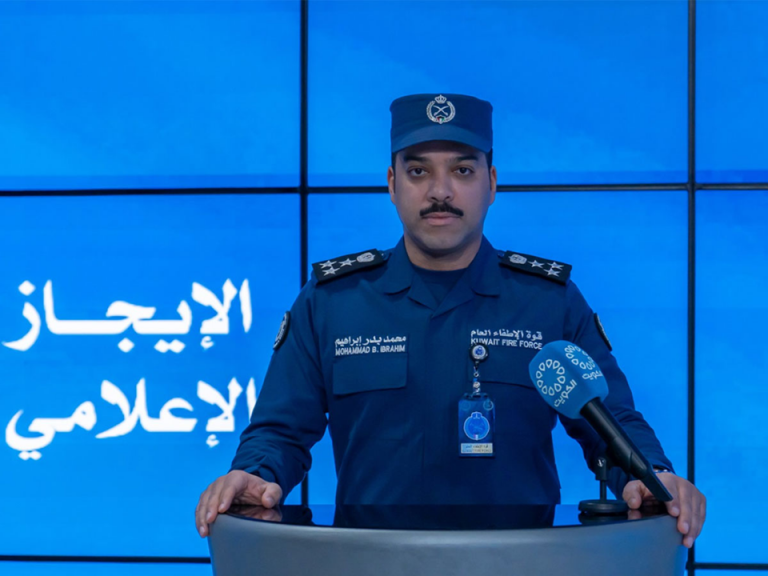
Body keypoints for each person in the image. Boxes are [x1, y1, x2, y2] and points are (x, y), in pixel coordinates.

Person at [196, 93, 706, 548]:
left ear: (492, 183)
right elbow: (280, 431)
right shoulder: (333, 301)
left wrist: (652, 477)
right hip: (370, 565)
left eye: (462, 171)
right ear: (392, 184)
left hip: (523, 566)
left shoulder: (549, 301)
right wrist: (254, 473)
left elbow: (612, 426)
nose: (440, 191)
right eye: (418, 172)